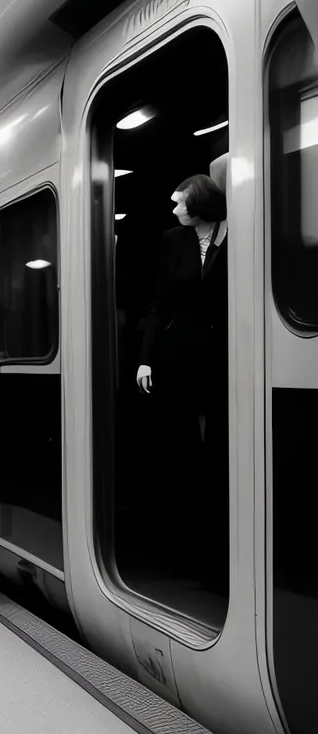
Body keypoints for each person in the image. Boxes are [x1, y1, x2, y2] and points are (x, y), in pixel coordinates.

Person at [136, 173, 228, 588]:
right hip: (179, 356)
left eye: (180, 203)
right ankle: (184, 542)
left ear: (202, 205)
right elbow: (160, 303)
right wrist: (145, 359)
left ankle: (219, 537)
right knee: (182, 444)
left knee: (221, 445)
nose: (174, 210)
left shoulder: (239, 232)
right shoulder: (174, 240)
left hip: (227, 355)